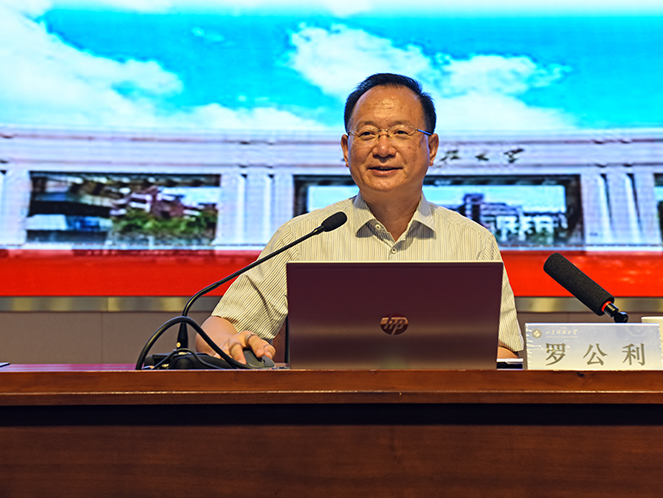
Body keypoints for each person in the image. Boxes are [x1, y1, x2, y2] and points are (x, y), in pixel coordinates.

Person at [197, 73, 524, 363]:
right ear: (346, 148)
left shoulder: (472, 241)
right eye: (367, 133)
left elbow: (504, 352)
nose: (383, 149)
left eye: (400, 132)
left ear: (432, 148)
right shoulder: (302, 236)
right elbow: (220, 327)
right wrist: (229, 344)